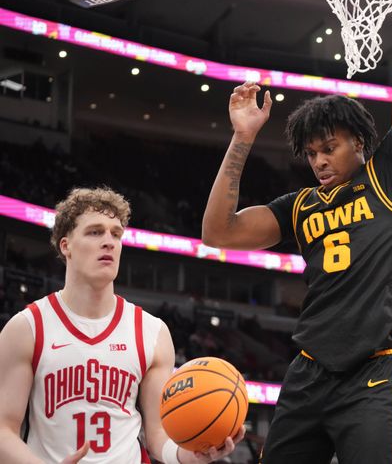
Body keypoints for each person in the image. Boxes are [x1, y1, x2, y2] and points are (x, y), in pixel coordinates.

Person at [201, 0, 392, 462]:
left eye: (329, 148)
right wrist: (242, 137)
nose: (318, 160)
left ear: (359, 144)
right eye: (311, 152)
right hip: (309, 369)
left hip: (374, 370)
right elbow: (218, 233)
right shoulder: (299, 207)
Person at [0, 187, 244, 463]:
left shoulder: (152, 332)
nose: (109, 242)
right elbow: (3, 430)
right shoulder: (27, 327)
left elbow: (157, 434)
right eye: (95, 232)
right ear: (65, 245)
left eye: (116, 234)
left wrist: (189, 455)